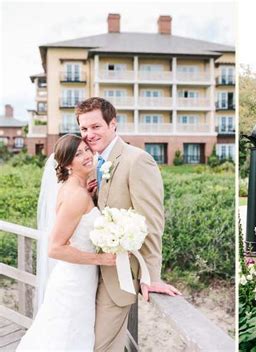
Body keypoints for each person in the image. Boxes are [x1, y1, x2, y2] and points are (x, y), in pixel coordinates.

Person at [75, 97, 181, 351]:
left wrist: (151, 276)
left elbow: (152, 221)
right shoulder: (91, 164)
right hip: (88, 272)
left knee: (99, 346)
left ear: (113, 124)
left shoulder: (137, 160)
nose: (89, 134)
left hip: (118, 275)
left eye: (96, 126)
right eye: (83, 129)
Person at [17, 134, 116, 351]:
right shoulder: (76, 195)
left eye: (86, 150)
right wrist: (101, 259)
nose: (87, 156)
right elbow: (55, 248)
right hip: (74, 283)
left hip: (80, 278)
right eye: (78, 154)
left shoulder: (77, 190)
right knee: (67, 339)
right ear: (67, 163)